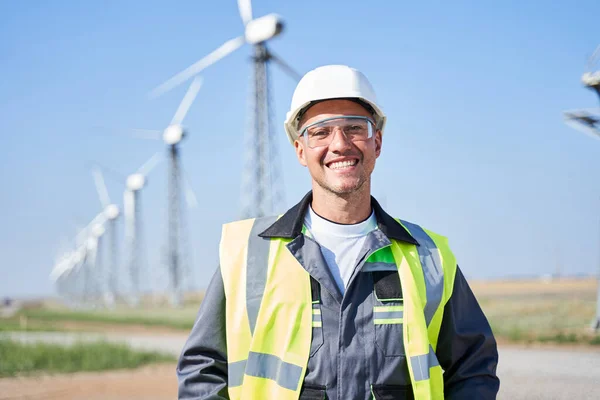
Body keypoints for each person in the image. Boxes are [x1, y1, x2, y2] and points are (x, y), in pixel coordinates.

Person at [177, 65, 500, 400]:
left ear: (377, 142)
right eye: (320, 132)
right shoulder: (247, 252)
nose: (340, 144)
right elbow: (204, 368)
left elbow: (473, 366)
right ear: (300, 150)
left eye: (354, 128)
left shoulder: (428, 255)